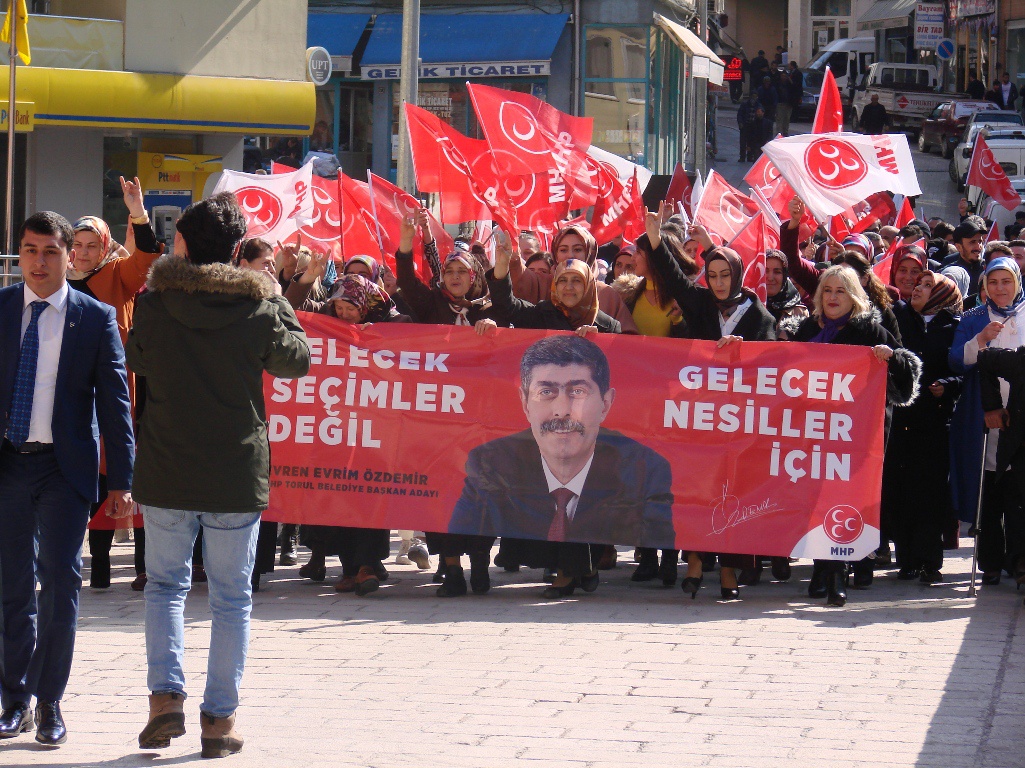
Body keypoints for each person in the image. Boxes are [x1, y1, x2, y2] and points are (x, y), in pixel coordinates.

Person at [129, 193, 311, 758]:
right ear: (236, 251)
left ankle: (165, 699)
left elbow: (137, 358)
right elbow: (296, 360)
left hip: (167, 465)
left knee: (165, 587)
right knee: (231, 598)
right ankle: (219, 719)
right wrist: (277, 297)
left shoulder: (156, 301)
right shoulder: (259, 306)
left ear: (182, 243)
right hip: (234, 469)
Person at [0, 211, 135, 746]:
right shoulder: (2, 309)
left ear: (69, 255)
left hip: (64, 469)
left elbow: (116, 405)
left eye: (50, 252)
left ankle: (49, 700)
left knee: (59, 583)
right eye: (30, 251)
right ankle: (13, 699)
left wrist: (121, 481)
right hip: (8, 464)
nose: (39, 262)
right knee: (11, 587)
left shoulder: (94, 318)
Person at [448, 331, 676, 598]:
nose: (561, 410)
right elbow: (461, 521)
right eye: (546, 392)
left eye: (577, 392)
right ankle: (579, 568)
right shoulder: (491, 461)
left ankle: (573, 570)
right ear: (525, 402)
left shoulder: (644, 468)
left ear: (605, 403)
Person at [654, 205, 777, 600]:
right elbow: (672, 277)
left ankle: (728, 570)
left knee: (735, 492)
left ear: (737, 275)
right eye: (713, 275)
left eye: (726, 275)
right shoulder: (701, 303)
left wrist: (747, 350)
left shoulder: (757, 314)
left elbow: (773, 357)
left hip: (740, 422)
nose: (720, 283)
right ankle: (694, 562)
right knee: (698, 489)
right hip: (702, 415)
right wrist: (655, 239)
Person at [790, 265, 921, 606]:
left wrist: (891, 358)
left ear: (854, 297)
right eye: (828, 290)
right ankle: (821, 567)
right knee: (815, 499)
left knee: (844, 498)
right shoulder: (807, 329)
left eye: (841, 291)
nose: (833, 297)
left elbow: (906, 379)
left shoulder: (870, 331)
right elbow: (782, 368)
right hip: (813, 429)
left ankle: (838, 573)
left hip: (854, 434)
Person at [395, 212, 502, 597]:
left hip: (479, 418)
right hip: (437, 417)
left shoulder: (489, 308)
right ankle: (452, 568)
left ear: (474, 276)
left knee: (481, 490)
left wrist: (497, 332)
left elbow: (512, 345)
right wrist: (407, 241)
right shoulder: (431, 306)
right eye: (450, 271)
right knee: (440, 490)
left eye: (462, 271)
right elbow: (407, 281)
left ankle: (480, 564)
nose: (455, 277)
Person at [69, 178, 161, 592]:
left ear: (104, 247)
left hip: (113, 387)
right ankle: (95, 569)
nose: (83, 252)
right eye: (77, 245)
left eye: (92, 245)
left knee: (119, 472)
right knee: (83, 473)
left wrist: (137, 212)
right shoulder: (56, 278)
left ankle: (138, 567)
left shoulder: (116, 274)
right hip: (70, 388)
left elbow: (146, 258)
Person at [949, 258, 1025, 587]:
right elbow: (956, 360)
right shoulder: (973, 317)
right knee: (989, 489)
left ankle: (1020, 561)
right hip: (985, 414)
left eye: (1006, 281)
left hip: (1021, 415)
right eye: (993, 282)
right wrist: (979, 340)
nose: (1000, 288)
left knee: (1019, 490)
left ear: (1017, 282)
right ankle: (991, 561)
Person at [885, 272, 962, 582]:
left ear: (942, 294)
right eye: (918, 283)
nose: (918, 289)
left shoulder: (953, 327)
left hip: (935, 420)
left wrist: (949, 385)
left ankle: (930, 561)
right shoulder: (899, 317)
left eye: (928, 285)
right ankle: (906, 560)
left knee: (930, 492)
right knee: (901, 488)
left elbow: (964, 371)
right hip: (900, 418)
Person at [942, 219, 986, 308]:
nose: (978, 246)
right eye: (972, 242)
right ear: (958, 247)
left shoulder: (988, 270)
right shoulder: (948, 274)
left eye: (980, 241)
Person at [737, 92, 764, 162]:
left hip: (753, 126)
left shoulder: (758, 105)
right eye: (753, 96)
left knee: (751, 142)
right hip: (745, 125)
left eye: (755, 97)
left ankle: (750, 156)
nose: (754, 99)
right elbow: (740, 114)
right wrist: (740, 122)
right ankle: (742, 156)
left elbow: (760, 114)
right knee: (743, 142)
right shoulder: (744, 104)